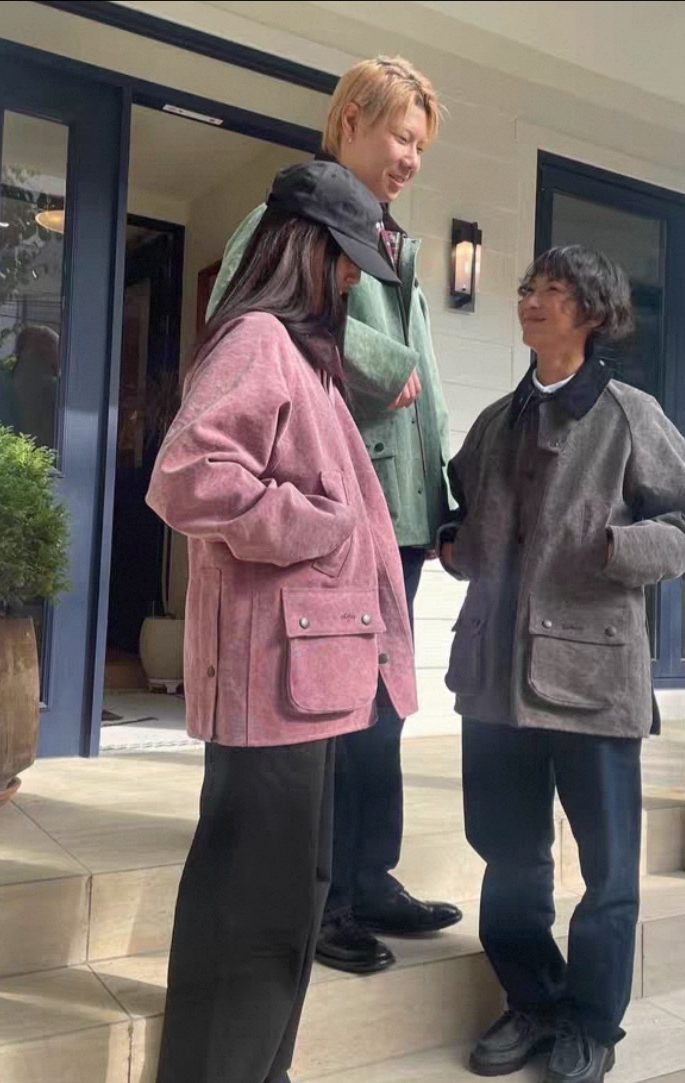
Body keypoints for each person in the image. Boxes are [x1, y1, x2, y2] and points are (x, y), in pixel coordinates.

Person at [145, 160, 417, 1083]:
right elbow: (190, 476)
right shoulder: (258, 340)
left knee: (287, 906)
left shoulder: (307, 360)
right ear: (305, 251)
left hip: (310, 682)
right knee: (251, 912)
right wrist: (316, 523)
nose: (350, 283)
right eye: (343, 263)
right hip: (271, 679)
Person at [438, 246, 685, 1083]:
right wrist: (454, 546)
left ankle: (592, 1023)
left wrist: (616, 548)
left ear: (592, 313)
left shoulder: (631, 415)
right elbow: (460, 511)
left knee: (607, 869)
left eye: (553, 290)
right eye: (529, 287)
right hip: (493, 677)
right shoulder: (497, 420)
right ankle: (531, 998)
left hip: (594, 682)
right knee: (508, 853)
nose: (532, 299)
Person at [207, 56, 461, 976]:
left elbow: (429, 398)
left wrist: (444, 502)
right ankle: (322, 901)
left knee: (381, 710)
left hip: (402, 513)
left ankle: (369, 875)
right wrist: (383, 366)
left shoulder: (395, 239)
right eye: (401, 136)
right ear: (350, 119)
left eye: (421, 145)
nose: (411, 158)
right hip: (340, 514)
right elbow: (244, 314)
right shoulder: (287, 220)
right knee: (332, 713)